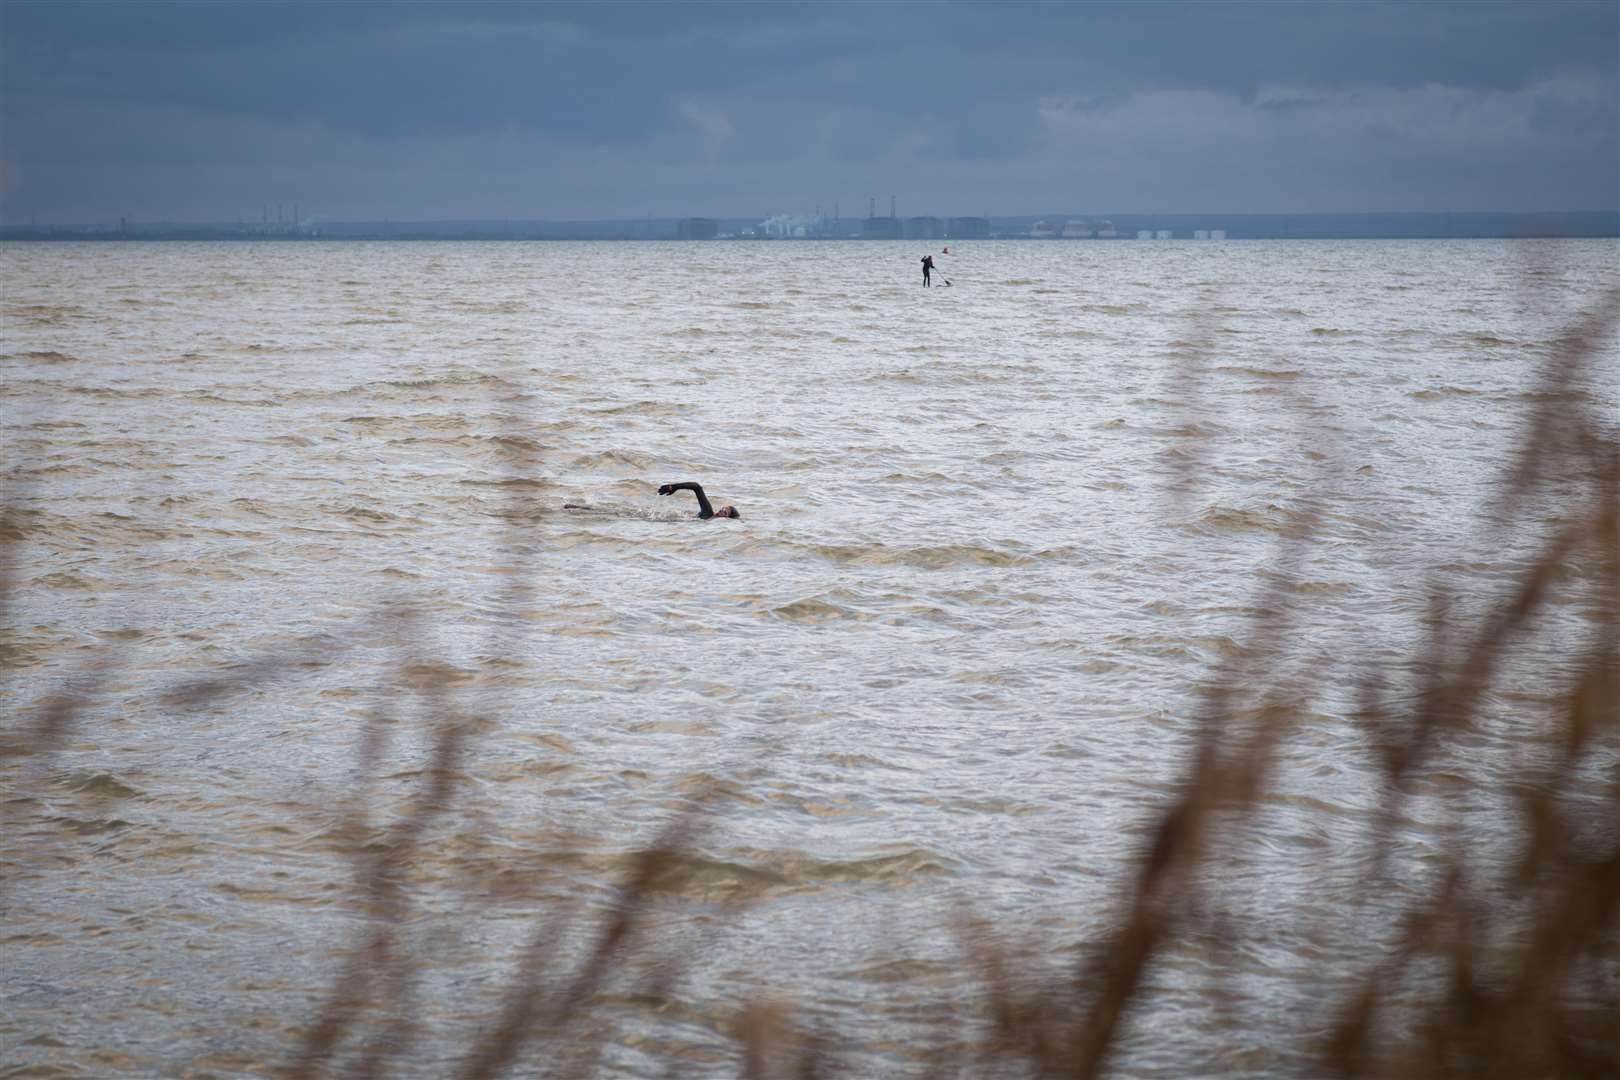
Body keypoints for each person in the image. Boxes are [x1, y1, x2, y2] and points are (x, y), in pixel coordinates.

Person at [658, 481, 740, 519]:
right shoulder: (708, 514)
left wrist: (674, 487)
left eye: (724, 512)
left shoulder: (708, 515)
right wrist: (673, 487)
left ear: (726, 519)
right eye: (722, 508)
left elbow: (697, 487)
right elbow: (696, 487)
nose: (720, 511)